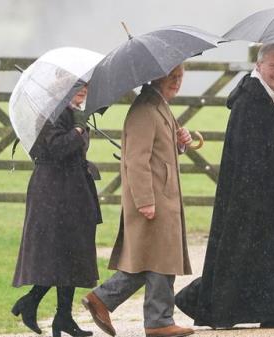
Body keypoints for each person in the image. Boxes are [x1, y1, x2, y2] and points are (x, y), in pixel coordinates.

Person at [175, 43, 274, 329]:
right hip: (251, 193)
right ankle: (208, 305)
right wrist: (256, 187)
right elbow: (246, 151)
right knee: (241, 252)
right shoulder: (250, 100)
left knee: (272, 251)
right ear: (259, 66)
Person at [81, 64, 195, 337]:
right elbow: (136, 160)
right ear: (156, 77)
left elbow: (160, 151)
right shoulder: (145, 110)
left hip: (162, 195)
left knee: (155, 258)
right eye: (172, 77)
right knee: (158, 258)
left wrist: (180, 142)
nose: (177, 82)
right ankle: (157, 321)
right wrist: (145, 200)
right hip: (152, 197)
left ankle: (106, 301)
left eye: (180, 77)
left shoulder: (159, 105)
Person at [11, 85, 102, 337]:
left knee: (71, 254)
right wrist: (78, 129)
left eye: (86, 86)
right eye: (77, 86)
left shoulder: (75, 112)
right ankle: (34, 303)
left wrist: (80, 125)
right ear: (62, 90)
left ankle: (62, 316)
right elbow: (57, 149)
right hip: (53, 192)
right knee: (57, 253)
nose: (84, 90)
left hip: (72, 191)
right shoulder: (50, 114)